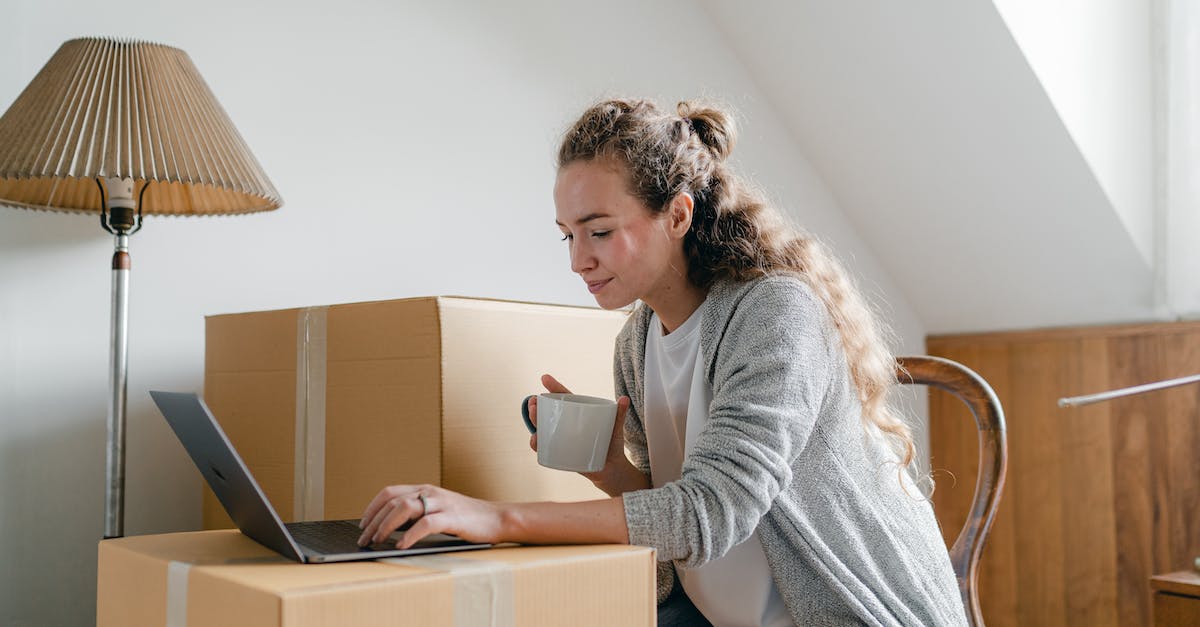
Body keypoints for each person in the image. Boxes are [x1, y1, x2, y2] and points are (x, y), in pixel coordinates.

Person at [358, 98, 968, 626]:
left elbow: (708, 515)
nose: (578, 260)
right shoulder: (637, 341)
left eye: (598, 231)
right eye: (567, 235)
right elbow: (676, 517)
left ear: (676, 215)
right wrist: (612, 471)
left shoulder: (773, 313)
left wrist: (495, 518)